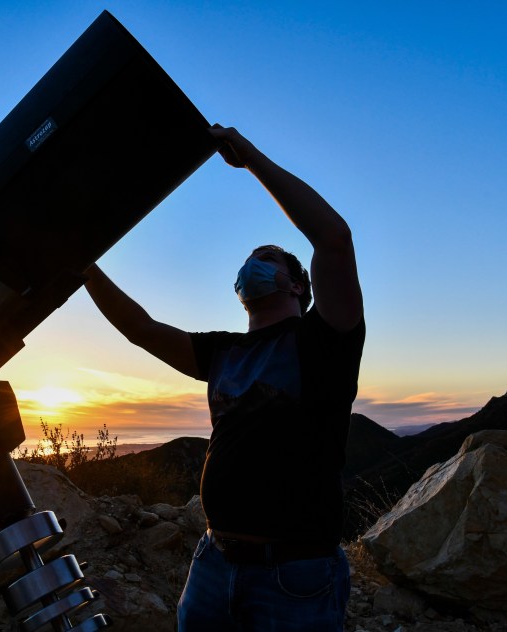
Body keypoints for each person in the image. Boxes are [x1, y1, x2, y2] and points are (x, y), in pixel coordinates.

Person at [83, 124, 365, 631]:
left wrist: (252, 159)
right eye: (251, 259)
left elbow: (333, 237)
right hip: (214, 560)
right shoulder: (223, 351)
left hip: (294, 574)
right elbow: (141, 329)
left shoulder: (325, 339)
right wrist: (82, 267)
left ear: (299, 284)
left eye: (268, 258)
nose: (255, 263)